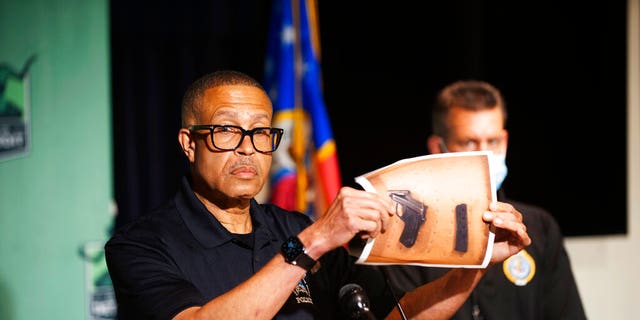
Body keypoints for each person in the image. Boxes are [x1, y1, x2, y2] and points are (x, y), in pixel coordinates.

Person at [104, 70, 531, 320]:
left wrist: (474, 265)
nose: (247, 147)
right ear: (188, 143)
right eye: (227, 130)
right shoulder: (141, 245)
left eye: (260, 132)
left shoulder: (289, 226)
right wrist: (313, 242)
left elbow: (397, 317)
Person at [382, 80, 586, 320]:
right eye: (469, 143)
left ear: (505, 141)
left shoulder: (540, 227)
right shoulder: (407, 233)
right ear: (438, 148)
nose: (485, 155)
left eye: (493, 142)